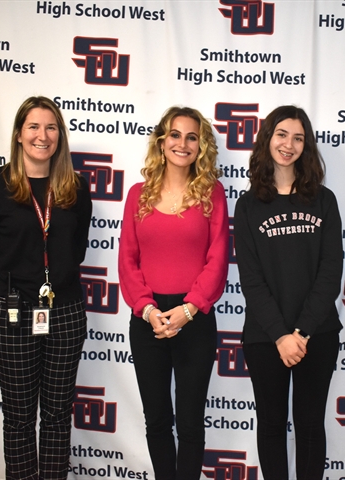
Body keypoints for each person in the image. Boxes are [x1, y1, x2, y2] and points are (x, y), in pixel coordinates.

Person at [0, 96, 92, 479]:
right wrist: (16, 286)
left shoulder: (74, 188)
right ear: (20, 135)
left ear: (61, 136)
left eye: (51, 127)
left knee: (57, 415)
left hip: (66, 311)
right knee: (19, 416)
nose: (43, 135)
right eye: (34, 127)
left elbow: (78, 247)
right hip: (14, 313)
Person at [118, 106, 228, 480]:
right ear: (162, 141)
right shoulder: (137, 194)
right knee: (158, 419)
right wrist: (149, 311)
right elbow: (127, 260)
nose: (183, 143)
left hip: (194, 318)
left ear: (202, 146)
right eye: (175, 135)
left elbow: (217, 260)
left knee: (191, 420)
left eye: (192, 136)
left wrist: (188, 309)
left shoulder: (212, 193)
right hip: (147, 320)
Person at [234, 105, 343, 480]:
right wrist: (281, 334)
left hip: (318, 334)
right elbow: (251, 279)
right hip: (266, 338)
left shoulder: (324, 200)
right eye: (282, 134)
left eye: (298, 138)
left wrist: (301, 333)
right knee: (271, 425)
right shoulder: (248, 205)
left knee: (311, 426)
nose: (289, 144)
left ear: (306, 146)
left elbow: (331, 272)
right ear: (268, 139)